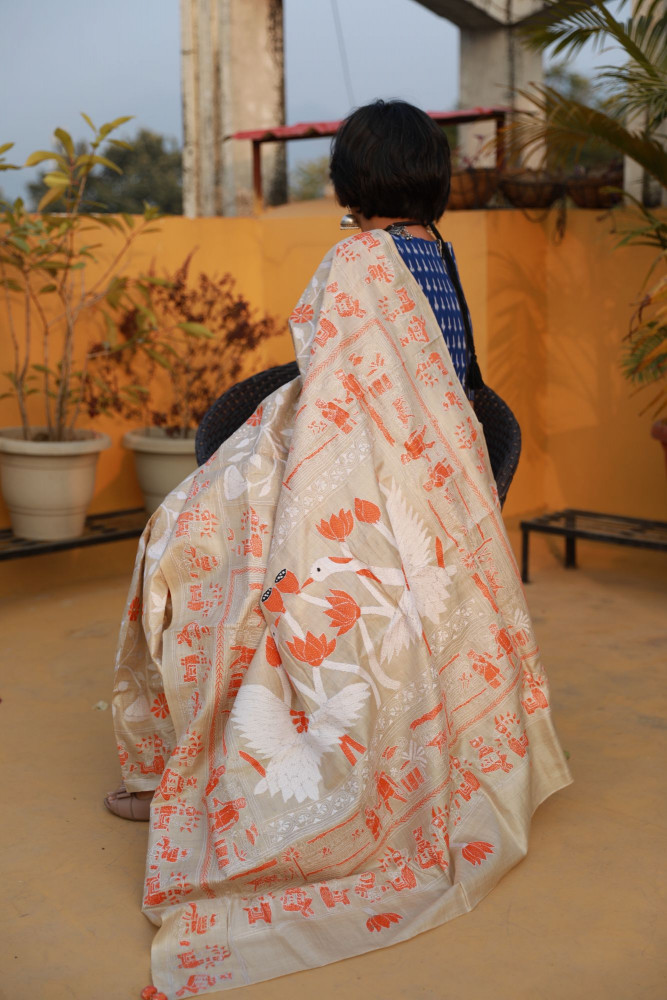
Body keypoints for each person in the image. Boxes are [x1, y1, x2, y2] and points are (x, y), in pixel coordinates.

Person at [106, 100, 571, 997]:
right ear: (432, 179)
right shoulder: (435, 254)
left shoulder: (356, 260)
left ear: (346, 180)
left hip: (364, 480)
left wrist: (283, 495)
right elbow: (442, 381)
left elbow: (336, 404)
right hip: (445, 485)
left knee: (187, 537)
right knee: (212, 529)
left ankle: (188, 752)